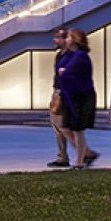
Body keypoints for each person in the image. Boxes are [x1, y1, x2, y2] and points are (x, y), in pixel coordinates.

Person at [57, 28, 99, 168]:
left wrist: (64, 72)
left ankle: (79, 162)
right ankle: (87, 153)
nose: (65, 39)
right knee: (65, 127)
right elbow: (61, 68)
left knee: (78, 130)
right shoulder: (71, 54)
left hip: (81, 98)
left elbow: (67, 72)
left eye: (68, 37)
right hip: (71, 97)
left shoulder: (81, 55)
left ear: (75, 39)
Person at [46, 27, 71, 168]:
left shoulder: (70, 56)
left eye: (57, 37)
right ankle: (63, 156)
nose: (55, 40)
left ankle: (83, 153)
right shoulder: (59, 55)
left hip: (64, 93)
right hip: (57, 92)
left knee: (62, 126)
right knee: (57, 126)